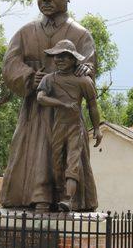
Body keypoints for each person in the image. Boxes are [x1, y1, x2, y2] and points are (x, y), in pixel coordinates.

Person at [0, 0, 100, 213]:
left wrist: (86, 69)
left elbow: (89, 65)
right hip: (35, 110)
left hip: (67, 114)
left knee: (70, 158)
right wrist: (27, 76)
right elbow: (9, 64)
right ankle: (35, 197)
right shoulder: (25, 32)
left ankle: (70, 199)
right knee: (35, 153)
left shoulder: (81, 34)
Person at [37, 40, 102, 211]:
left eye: (64, 56)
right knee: (57, 163)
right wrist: (61, 104)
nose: (59, 59)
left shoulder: (83, 81)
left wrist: (97, 128)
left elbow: (92, 105)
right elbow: (41, 98)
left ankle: (69, 199)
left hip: (76, 126)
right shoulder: (49, 79)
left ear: (74, 59)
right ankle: (61, 196)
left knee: (73, 162)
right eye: (57, 56)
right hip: (58, 125)